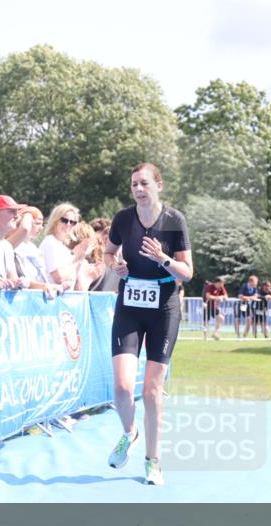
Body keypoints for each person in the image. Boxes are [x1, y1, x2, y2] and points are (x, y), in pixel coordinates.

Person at [104, 162, 193, 486]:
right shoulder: (123, 219)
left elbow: (187, 273)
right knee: (122, 388)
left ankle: (153, 461)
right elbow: (108, 253)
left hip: (164, 308)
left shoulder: (173, 221)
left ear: (159, 186)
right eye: (134, 185)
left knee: (152, 391)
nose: (139, 190)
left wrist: (163, 259)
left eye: (144, 184)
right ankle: (130, 432)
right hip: (129, 304)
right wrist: (116, 266)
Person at [41, 203, 93, 285]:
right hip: (53, 296)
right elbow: (59, 278)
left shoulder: (62, 247)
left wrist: (81, 256)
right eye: (64, 220)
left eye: (73, 222)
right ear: (55, 220)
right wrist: (78, 259)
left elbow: (72, 279)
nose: (68, 224)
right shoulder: (50, 242)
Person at [203, 276, 228, 340]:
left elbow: (226, 296)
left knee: (221, 318)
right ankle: (205, 337)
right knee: (206, 321)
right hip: (206, 306)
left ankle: (215, 333)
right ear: (217, 283)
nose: (222, 285)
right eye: (221, 283)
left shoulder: (221, 287)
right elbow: (208, 296)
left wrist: (222, 297)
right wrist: (218, 298)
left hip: (214, 306)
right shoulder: (209, 286)